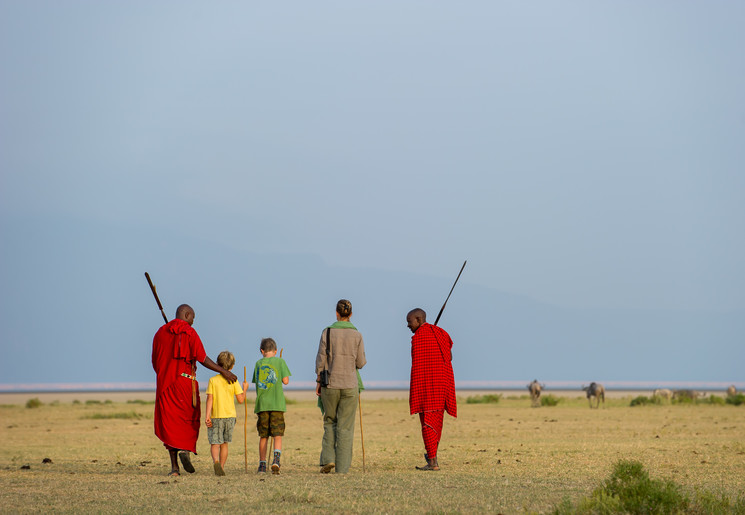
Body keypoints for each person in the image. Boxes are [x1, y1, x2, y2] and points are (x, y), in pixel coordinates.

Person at [151, 303, 237, 476]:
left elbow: (155, 361)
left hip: (165, 385)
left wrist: (166, 373)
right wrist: (224, 371)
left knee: (170, 424)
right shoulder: (189, 332)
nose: (192, 323)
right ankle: (185, 450)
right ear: (187, 314)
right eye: (192, 319)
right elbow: (202, 358)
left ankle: (175, 468)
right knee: (187, 421)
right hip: (185, 384)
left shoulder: (160, 333)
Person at [315, 299, 366, 474]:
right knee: (346, 427)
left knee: (329, 421)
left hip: (330, 383)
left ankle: (328, 459)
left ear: (336, 313)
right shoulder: (357, 335)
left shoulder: (327, 332)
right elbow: (361, 363)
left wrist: (318, 383)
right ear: (350, 314)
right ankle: (342, 468)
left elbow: (321, 361)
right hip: (350, 385)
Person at [407, 308, 457, 471]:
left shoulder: (419, 338)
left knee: (427, 423)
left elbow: (418, 362)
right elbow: (449, 356)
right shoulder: (440, 333)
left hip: (426, 388)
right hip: (441, 386)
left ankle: (433, 462)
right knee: (435, 422)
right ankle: (432, 456)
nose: (408, 325)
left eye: (410, 322)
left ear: (419, 319)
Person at [205, 350, 248, 476]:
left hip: (216, 417)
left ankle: (216, 461)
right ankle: (222, 467)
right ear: (232, 366)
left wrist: (207, 415)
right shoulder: (234, 380)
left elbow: (210, 399)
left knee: (215, 443)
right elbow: (240, 399)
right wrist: (244, 389)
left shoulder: (213, 380)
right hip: (230, 417)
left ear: (217, 364)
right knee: (224, 443)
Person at [252, 337, 291, 474]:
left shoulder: (258, 363)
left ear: (262, 351)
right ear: (275, 350)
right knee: (277, 434)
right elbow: (285, 381)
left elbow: (256, 381)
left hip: (262, 405)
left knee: (263, 436)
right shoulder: (280, 361)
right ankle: (276, 460)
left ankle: (262, 465)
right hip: (277, 404)